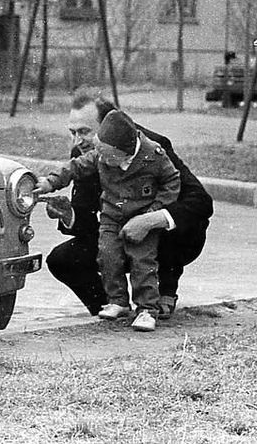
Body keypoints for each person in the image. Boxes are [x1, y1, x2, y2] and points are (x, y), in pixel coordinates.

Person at [42, 91, 213, 322]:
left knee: (182, 220)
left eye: (84, 132)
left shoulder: (153, 148)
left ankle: (165, 292)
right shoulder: (86, 154)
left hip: (159, 236)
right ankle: (113, 307)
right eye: (72, 133)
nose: (77, 141)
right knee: (62, 259)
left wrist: (149, 220)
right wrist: (69, 215)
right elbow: (90, 225)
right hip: (117, 228)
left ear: (109, 125)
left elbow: (200, 201)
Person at [36, 109, 180, 331]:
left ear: (125, 152)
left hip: (141, 218)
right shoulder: (101, 154)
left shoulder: (154, 155)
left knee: (143, 262)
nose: (100, 159)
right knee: (108, 256)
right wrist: (51, 182)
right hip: (111, 217)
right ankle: (118, 301)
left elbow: (172, 182)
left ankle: (146, 309)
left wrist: (154, 211)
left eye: (106, 155)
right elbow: (75, 166)